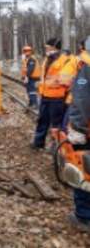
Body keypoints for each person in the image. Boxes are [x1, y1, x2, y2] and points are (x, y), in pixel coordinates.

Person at [57, 36, 90, 233]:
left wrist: (77, 129)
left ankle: (84, 217)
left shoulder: (86, 65)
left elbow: (82, 101)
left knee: (82, 168)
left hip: (87, 130)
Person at [32, 37, 76, 149]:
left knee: (56, 124)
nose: (46, 49)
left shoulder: (65, 60)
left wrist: (47, 83)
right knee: (42, 120)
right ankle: (38, 143)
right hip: (45, 95)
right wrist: (41, 85)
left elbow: (64, 80)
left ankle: (56, 147)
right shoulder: (47, 59)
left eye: (48, 47)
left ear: (54, 47)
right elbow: (45, 76)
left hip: (57, 98)